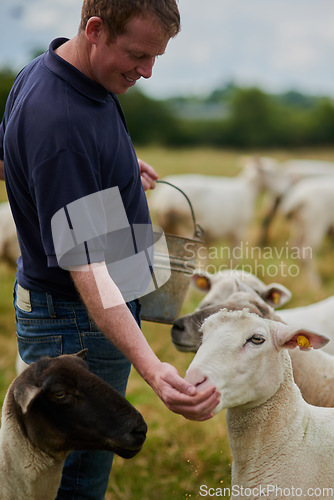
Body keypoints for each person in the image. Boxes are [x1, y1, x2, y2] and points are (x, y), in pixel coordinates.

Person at [0, 1, 220, 498]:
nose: (147, 71)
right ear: (95, 29)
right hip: (77, 319)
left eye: (156, 57)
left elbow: (9, 152)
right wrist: (154, 368)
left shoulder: (57, 70)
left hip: (81, 307)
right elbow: (90, 273)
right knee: (74, 476)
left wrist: (114, 165)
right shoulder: (62, 121)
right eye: (138, 55)